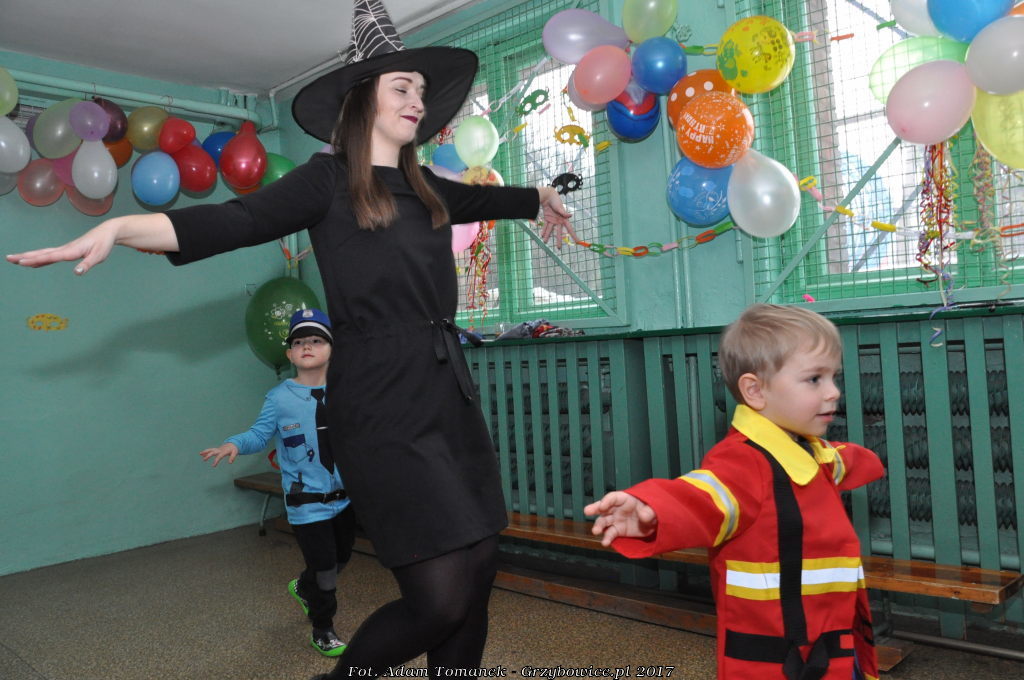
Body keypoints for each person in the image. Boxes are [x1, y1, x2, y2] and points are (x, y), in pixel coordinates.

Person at [7, 2, 574, 678]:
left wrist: (542, 195)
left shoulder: (427, 188)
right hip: (382, 404)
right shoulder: (327, 182)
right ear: (361, 99)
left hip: (448, 395)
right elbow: (233, 219)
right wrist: (120, 228)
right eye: (402, 87)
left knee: (477, 573)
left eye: (422, 90)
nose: (417, 101)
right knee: (439, 599)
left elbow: (496, 200)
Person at [585, 304, 885, 680]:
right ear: (755, 391)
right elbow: (703, 497)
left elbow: (831, 463)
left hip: (831, 631)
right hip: (782, 657)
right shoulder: (743, 462)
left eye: (833, 377)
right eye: (814, 379)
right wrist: (653, 510)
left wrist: (866, 460)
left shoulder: (804, 449)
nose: (833, 392)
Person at [199, 308, 353, 658]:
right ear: (289, 354)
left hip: (345, 498)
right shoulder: (280, 398)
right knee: (326, 569)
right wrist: (233, 444)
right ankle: (323, 629)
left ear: (332, 348)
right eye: (299, 342)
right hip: (306, 502)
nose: (307, 346)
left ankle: (304, 586)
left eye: (316, 340)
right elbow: (258, 434)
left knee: (341, 558)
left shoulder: (347, 391)